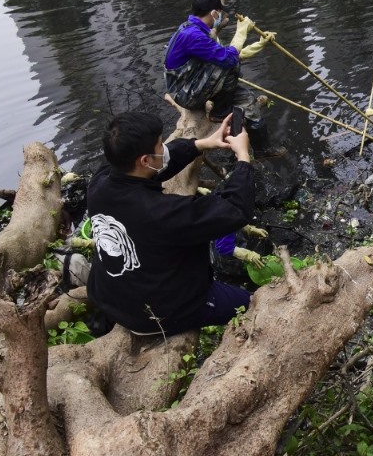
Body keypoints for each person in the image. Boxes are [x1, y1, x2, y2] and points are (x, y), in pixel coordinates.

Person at [86, 111, 256, 335]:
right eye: (159, 146)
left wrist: (203, 143)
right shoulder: (162, 212)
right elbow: (234, 209)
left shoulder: (99, 184)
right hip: (160, 313)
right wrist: (243, 158)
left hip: (110, 298)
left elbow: (159, 166)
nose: (163, 149)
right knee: (253, 304)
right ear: (145, 160)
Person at [164, 0, 285, 157]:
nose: (220, 16)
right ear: (214, 13)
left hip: (195, 83)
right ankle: (220, 111)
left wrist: (260, 44)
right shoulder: (193, 35)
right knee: (229, 64)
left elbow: (230, 55)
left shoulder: (197, 30)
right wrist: (242, 31)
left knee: (249, 100)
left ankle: (262, 151)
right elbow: (228, 60)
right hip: (185, 93)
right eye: (219, 12)